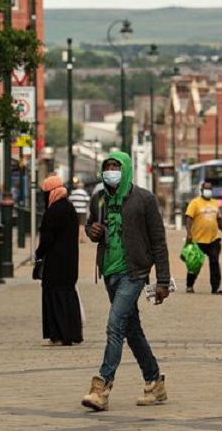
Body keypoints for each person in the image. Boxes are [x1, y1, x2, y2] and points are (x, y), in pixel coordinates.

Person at [81, 152, 171, 412]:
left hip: (134, 273)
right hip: (109, 272)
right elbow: (90, 227)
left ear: (126, 169)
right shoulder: (98, 199)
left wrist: (162, 280)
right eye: (107, 166)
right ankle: (154, 382)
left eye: (116, 166)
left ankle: (101, 387)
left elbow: (158, 241)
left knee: (114, 326)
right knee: (132, 330)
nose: (111, 170)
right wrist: (92, 232)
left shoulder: (144, 199)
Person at [36, 175, 83, 346]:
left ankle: (58, 334)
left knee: (54, 296)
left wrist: (39, 253)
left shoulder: (53, 211)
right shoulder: (69, 208)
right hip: (70, 260)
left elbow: (47, 238)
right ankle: (72, 333)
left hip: (55, 261)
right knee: (68, 295)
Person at [184, 181, 222, 294]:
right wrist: (189, 233)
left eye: (210, 189)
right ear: (202, 190)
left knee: (214, 262)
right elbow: (189, 219)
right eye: (206, 189)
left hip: (213, 239)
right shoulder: (195, 203)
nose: (208, 191)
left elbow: (219, 219)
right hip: (198, 239)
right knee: (195, 264)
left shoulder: (215, 203)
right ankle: (190, 285)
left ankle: (215, 288)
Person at [69, 178, 91, 243]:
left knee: (75, 225)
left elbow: (69, 200)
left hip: (74, 211)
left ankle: (75, 238)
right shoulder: (84, 193)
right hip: (82, 211)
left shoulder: (73, 193)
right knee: (82, 225)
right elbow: (88, 201)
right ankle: (81, 238)